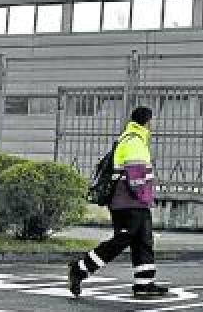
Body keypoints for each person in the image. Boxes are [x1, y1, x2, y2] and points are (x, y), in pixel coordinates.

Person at [68, 106, 168, 298]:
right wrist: (146, 198)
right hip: (128, 202)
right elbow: (137, 177)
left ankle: (144, 283)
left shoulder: (132, 138)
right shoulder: (134, 141)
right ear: (147, 121)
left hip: (133, 202)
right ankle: (80, 269)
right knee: (121, 240)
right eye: (153, 120)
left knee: (143, 241)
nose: (154, 124)